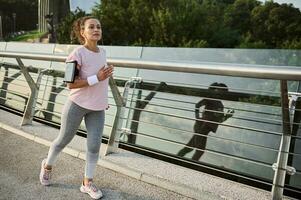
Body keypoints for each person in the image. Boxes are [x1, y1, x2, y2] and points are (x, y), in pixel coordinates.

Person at [39, 16, 114, 200]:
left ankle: (87, 183)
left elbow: (102, 81)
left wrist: (103, 98)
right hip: (77, 105)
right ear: (83, 32)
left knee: (95, 146)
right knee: (63, 140)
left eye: (98, 26)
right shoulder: (76, 54)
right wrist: (97, 77)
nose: (96, 29)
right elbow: (70, 84)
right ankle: (47, 166)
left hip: (97, 108)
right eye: (91, 27)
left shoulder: (103, 52)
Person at [177, 82, 234, 161]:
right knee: (199, 151)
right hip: (202, 127)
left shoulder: (220, 105)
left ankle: (175, 160)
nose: (221, 93)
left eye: (224, 91)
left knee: (189, 148)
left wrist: (227, 116)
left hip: (205, 129)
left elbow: (219, 121)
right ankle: (189, 165)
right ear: (215, 90)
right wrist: (198, 119)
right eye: (219, 90)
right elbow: (197, 105)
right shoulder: (211, 98)